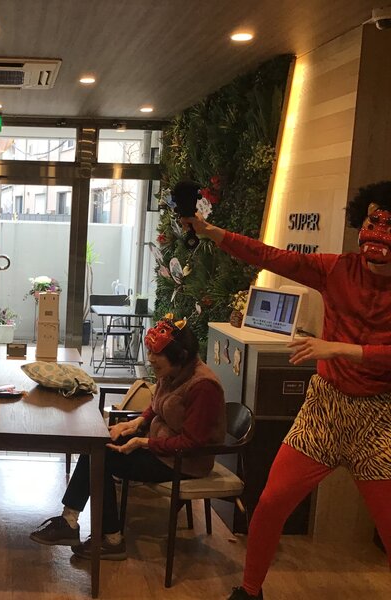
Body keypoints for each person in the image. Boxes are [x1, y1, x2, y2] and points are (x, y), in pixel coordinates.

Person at [180, 181, 391, 600]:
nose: (378, 233)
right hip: (325, 409)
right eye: (373, 221)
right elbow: (270, 256)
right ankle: (250, 591)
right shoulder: (336, 269)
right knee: (272, 503)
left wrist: (339, 349)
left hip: (379, 418)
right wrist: (211, 231)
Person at [29, 315, 225, 560]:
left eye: (157, 354)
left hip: (183, 462)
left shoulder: (203, 386)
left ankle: (110, 539)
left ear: (181, 356)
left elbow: (192, 442)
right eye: (150, 352)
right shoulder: (172, 373)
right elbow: (156, 405)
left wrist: (143, 442)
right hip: (160, 449)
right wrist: (136, 423)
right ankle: (70, 520)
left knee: (103, 460)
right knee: (97, 445)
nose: (151, 359)